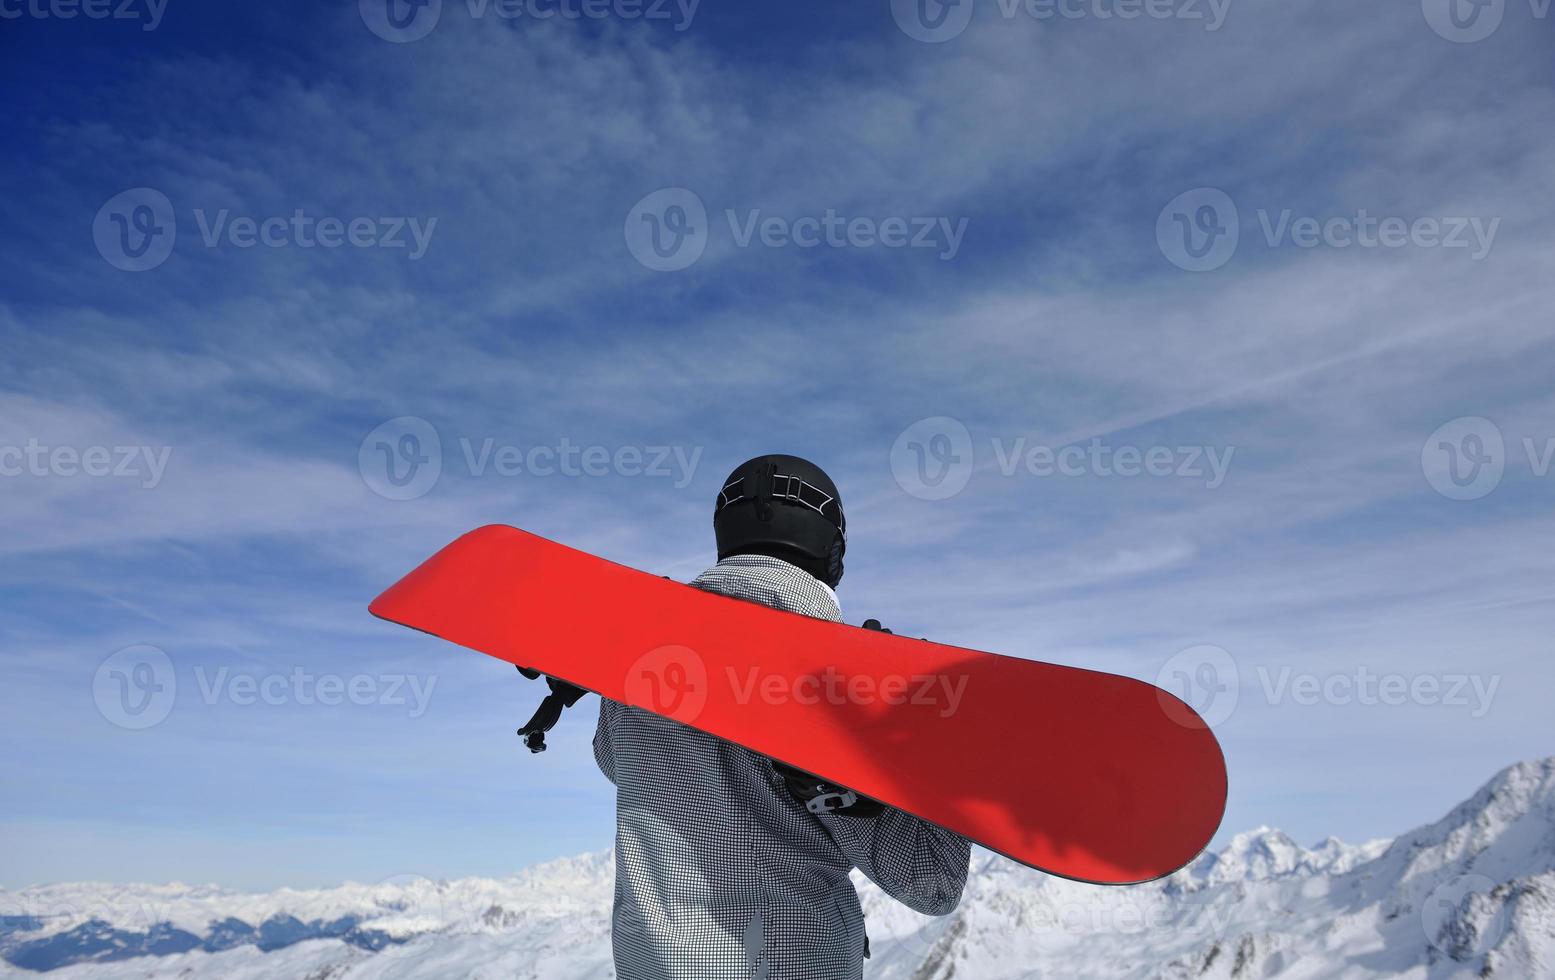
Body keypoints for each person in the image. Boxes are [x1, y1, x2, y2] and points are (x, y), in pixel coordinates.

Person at [590, 454, 971, 980]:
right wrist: (901, 767)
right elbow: (933, 883)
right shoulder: (855, 684)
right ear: (832, 554)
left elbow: (613, 760)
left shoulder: (643, 657)